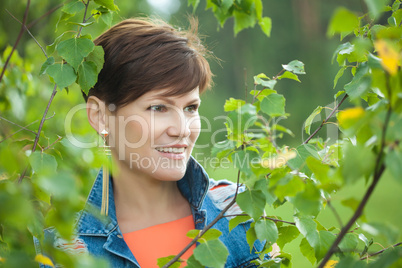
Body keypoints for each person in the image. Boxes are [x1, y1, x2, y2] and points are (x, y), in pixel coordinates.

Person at [35, 17, 269, 268]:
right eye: (158, 107)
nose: (181, 129)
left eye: (191, 107)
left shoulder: (239, 211)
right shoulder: (58, 252)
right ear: (100, 116)